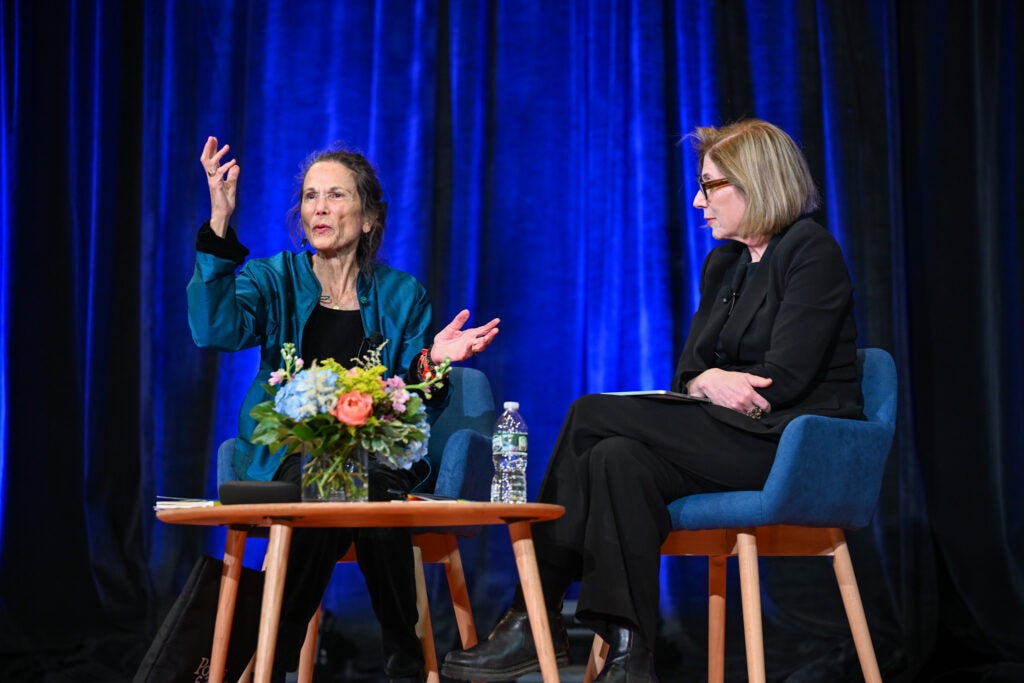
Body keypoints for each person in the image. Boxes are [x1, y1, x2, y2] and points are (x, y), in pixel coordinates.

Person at [440, 119, 864, 683]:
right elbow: (688, 372)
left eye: (710, 186)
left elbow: (780, 381)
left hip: (788, 444)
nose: (697, 201)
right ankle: (629, 657)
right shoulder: (725, 265)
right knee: (616, 458)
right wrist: (709, 381)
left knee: (591, 414)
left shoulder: (811, 251)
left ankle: (531, 617)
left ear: (755, 182)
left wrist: (711, 384)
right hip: (729, 435)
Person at [186, 136, 500, 683]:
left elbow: (411, 392)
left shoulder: (403, 295)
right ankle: (406, 660)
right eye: (310, 197)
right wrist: (219, 218)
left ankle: (269, 664)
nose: (319, 209)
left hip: (376, 454)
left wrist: (435, 361)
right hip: (288, 450)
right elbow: (213, 330)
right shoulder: (273, 278)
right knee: (338, 479)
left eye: (335, 195)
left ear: (370, 217)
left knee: (363, 479)